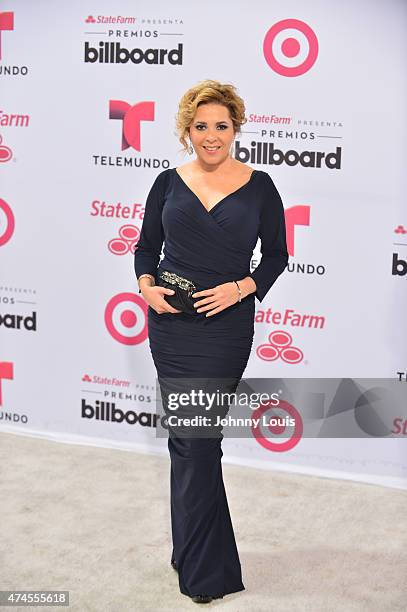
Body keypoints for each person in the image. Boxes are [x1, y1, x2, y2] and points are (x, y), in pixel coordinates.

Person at [134, 79, 288, 604]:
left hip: (224, 329)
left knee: (198, 442)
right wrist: (146, 289)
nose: (211, 135)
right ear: (187, 131)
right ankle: (196, 557)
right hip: (171, 326)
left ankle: (202, 567)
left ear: (236, 128)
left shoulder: (261, 185)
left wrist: (240, 288)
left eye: (221, 126)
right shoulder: (167, 182)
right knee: (187, 442)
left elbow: (275, 257)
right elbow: (146, 247)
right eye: (201, 126)